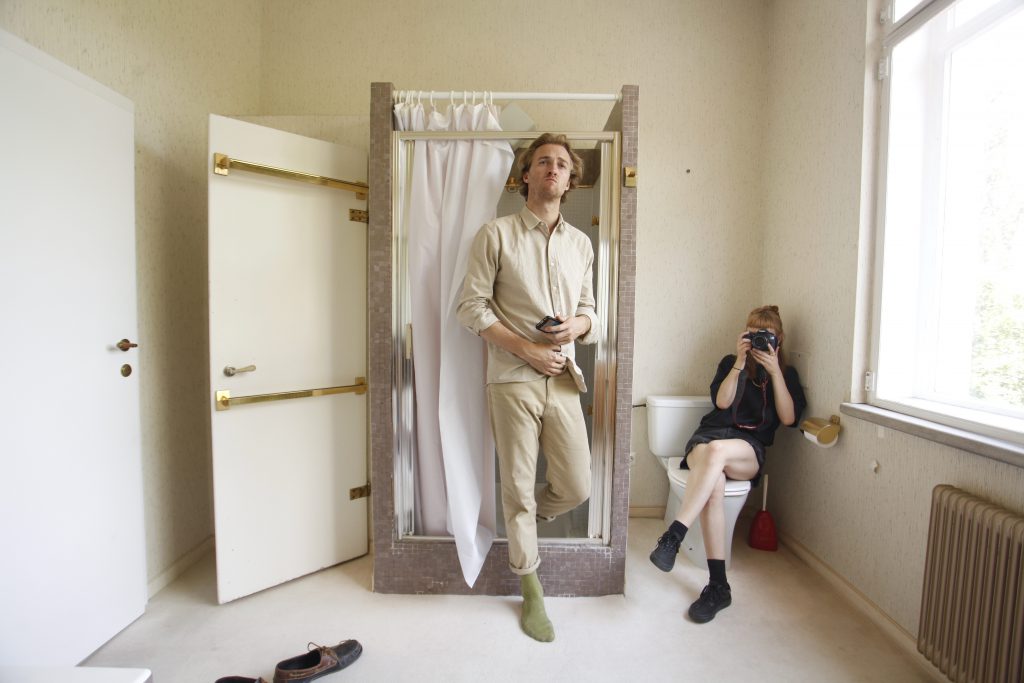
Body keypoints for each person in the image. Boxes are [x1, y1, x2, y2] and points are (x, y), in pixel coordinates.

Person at [456, 133, 598, 642]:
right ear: (526, 174)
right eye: (543, 162)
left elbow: (592, 312)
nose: (553, 169)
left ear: (570, 179)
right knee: (516, 485)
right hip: (512, 379)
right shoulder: (494, 235)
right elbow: (470, 308)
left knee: (577, 484)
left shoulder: (581, 244)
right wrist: (526, 347)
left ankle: (524, 521)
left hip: (563, 380)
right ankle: (531, 592)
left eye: (561, 163)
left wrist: (574, 329)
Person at [649, 305, 806, 623]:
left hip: (746, 450)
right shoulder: (729, 363)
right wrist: (738, 363)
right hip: (706, 440)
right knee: (714, 483)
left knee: (718, 452)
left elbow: (789, 418)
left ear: (780, 339)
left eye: (767, 336)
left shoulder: (786, 374)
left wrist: (774, 371)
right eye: (753, 334)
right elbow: (721, 403)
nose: (759, 341)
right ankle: (718, 586)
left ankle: (674, 535)